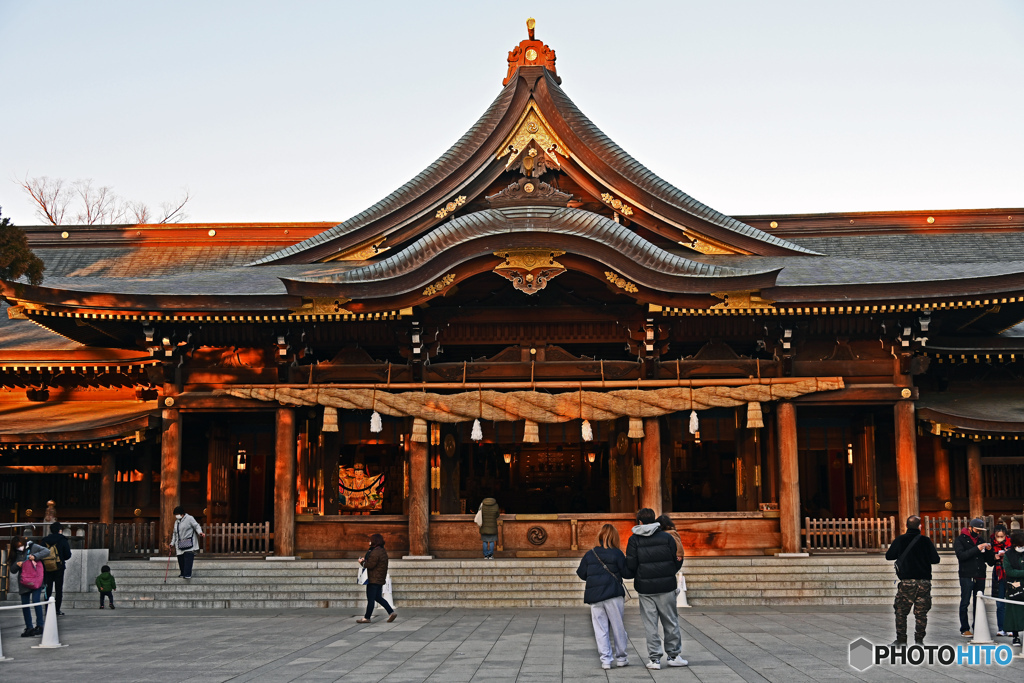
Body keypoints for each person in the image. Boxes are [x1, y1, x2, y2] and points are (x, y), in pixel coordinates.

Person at [623, 508, 687, 670]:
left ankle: (655, 659)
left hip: (645, 587)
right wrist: (669, 572)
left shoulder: (634, 540)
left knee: (650, 624)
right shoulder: (667, 537)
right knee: (670, 621)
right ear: (654, 520)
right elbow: (677, 559)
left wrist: (636, 574)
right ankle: (673, 655)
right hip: (666, 586)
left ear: (639, 521)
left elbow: (631, 564)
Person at [576, 524, 629, 670]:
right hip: (613, 594)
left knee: (600, 629)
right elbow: (626, 573)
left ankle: (606, 660)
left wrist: (595, 578)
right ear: (615, 537)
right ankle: (621, 658)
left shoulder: (590, 553)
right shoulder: (617, 553)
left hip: (595, 596)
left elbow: (581, 573)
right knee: (618, 627)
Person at [884, 515, 941, 645]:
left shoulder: (900, 540)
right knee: (921, 613)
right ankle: (919, 640)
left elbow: (889, 556)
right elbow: (935, 559)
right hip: (924, 582)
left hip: (907, 581)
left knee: (901, 611)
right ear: (920, 526)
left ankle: (901, 640)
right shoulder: (926, 541)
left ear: (906, 526)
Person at [953, 516, 996, 637]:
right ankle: (964, 628)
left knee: (979, 603)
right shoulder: (960, 540)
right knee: (965, 602)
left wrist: (990, 551)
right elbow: (961, 556)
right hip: (966, 575)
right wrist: (977, 548)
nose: (978, 533)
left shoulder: (981, 540)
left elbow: (989, 561)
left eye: (980, 531)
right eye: (977, 530)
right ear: (970, 528)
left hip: (980, 575)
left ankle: (977, 626)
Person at [8, 535, 50, 637]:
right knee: (25, 604)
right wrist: (17, 564)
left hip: (36, 579)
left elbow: (46, 551)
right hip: (24, 582)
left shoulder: (33, 547)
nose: (20, 548)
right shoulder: (15, 553)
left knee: (36, 601)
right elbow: (12, 570)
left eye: (21, 545)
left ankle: (40, 626)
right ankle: (29, 627)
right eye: (17, 546)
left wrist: (35, 556)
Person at [357, 533, 396, 623]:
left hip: (373, 579)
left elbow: (370, 565)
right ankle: (391, 612)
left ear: (374, 541)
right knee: (378, 597)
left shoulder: (375, 552)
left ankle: (367, 618)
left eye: (370, 540)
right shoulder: (382, 551)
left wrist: (362, 562)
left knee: (371, 599)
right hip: (379, 578)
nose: (369, 542)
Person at [41, 520, 73, 616]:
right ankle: (57, 609)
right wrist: (61, 558)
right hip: (59, 567)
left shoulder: (45, 540)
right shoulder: (62, 540)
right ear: (60, 530)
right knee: (59, 589)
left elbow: (41, 553)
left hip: (47, 567)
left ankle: (47, 609)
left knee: (48, 589)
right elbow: (68, 554)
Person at [1002, 530, 1024, 647]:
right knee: (1014, 612)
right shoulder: (1008, 555)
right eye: (1019, 545)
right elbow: (1009, 571)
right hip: (1014, 586)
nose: (1021, 547)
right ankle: (1015, 636)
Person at [169, 505, 204, 580]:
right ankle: (183, 573)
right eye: (175, 515)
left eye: (177, 514)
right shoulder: (177, 522)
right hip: (180, 543)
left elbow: (196, 526)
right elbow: (175, 533)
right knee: (180, 559)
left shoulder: (189, 518)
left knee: (188, 558)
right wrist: (172, 543)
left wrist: (200, 532)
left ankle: (187, 574)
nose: (176, 516)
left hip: (189, 542)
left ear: (182, 514)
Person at [990, 525, 1011, 636]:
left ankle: (1011, 628)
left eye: (1002, 536)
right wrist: (994, 557)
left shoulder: (1012, 544)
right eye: (997, 536)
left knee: (1010, 603)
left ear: (1005, 535)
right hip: (998, 575)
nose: (999, 538)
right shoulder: (991, 545)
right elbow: (989, 561)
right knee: (1000, 603)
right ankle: (1001, 628)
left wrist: (1008, 554)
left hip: (1010, 575)